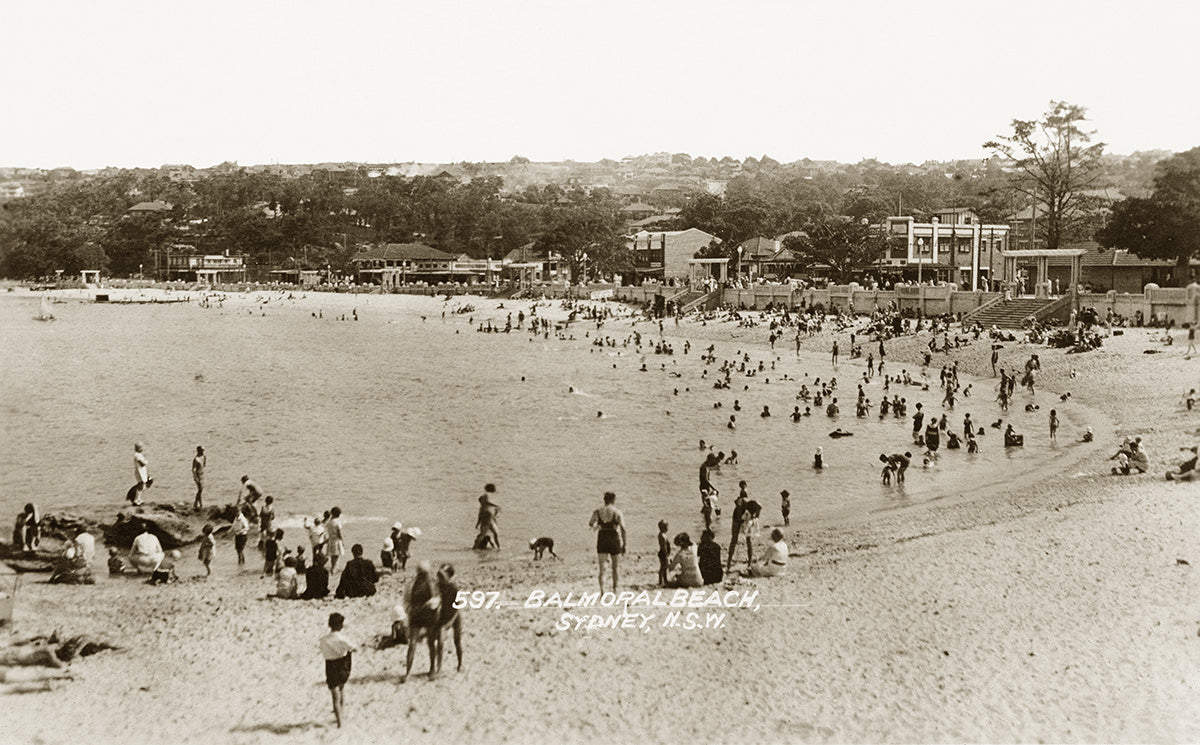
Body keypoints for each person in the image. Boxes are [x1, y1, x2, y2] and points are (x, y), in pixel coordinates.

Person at [319, 612, 357, 728]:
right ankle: (342, 713)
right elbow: (354, 648)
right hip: (343, 667)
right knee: (341, 690)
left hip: (331, 667)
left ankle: (340, 722)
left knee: (335, 697)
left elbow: (323, 652)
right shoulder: (342, 638)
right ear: (341, 625)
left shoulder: (323, 640)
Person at [588, 491, 626, 594]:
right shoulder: (617, 512)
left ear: (604, 500)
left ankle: (602, 591)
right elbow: (623, 528)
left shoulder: (597, 511)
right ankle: (615, 590)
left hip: (602, 539)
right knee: (615, 568)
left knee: (602, 568)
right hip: (614, 539)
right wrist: (624, 544)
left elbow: (591, 523)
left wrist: (597, 526)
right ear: (613, 500)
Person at [475, 484, 501, 549]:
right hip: (488, 519)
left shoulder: (484, 507)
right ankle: (474, 547)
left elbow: (480, 516)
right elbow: (487, 502)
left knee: (495, 533)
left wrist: (477, 523)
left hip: (490, 519)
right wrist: (496, 505)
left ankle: (499, 547)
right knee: (484, 534)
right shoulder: (486, 501)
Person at [327, 506, 345, 573]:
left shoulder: (329, 522)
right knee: (337, 556)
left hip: (331, 539)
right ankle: (334, 569)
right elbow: (339, 533)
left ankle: (332, 568)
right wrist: (342, 541)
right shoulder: (337, 522)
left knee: (332, 556)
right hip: (337, 540)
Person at [656, 520, 670, 586]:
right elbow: (664, 546)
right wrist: (666, 554)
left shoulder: (663, 535)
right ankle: (661, 581)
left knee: (665, 567)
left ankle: (665, 580)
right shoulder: (662, 536)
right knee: (663, 567)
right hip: (663, 553)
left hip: (664, 553)